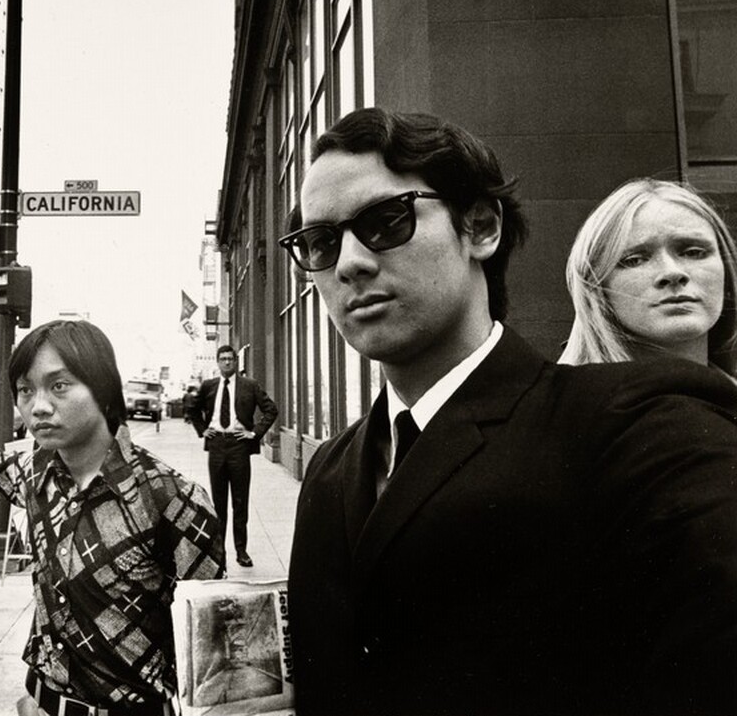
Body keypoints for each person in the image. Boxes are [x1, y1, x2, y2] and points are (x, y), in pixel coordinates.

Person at [279, 107, 737, 715]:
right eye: (320, 242)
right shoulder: (329, 471)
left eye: (386, 222)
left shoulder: (640, 425)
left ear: (480, 226)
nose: (349, 263)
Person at [0, 317, 225, 716]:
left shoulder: (173, 499)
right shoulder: (35, 475)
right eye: (25, 390)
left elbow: (216, 648)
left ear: (104, 391)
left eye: (59, 386)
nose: (38, 406)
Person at [560, 178, 737, 375]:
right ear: (597, 287)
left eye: (693, 252)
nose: (672, 272)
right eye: (635, 260)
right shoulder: (571, 394)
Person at [190, 345, 278, 568]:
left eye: (230, 358)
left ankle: (241, 551)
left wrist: (254, 433)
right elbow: (192, 409)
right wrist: (202, 430)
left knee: (240, 502)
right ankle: (219, 553)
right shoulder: (209, 386)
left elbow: (271, 410)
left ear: (236, 361)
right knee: (218, 503)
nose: (227, 362)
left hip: (239, 447)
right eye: (223, 359)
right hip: (217, 446)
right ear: (218, 362)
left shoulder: (250, 385)